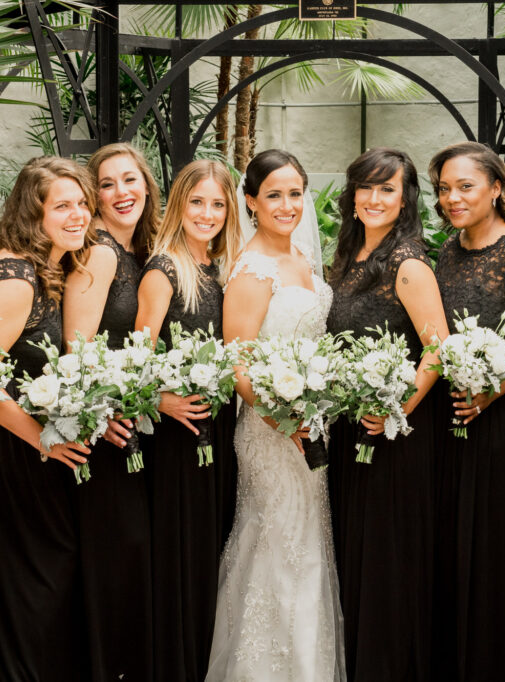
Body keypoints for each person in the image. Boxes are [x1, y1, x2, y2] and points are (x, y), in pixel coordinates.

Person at [0, 156, 93, 681]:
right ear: (35, 211)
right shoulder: (17, 276)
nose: (78, 215)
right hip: (5, 454)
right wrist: (42, 441)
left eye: (82, 204)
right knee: (32, 586)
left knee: (30, 585)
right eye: (63, 206)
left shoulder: (33, 264)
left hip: (16, 450)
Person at [206, 149, 346, 681]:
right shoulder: (251, 270)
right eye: (273, 195)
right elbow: (237, 364)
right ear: (250, 201)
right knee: (277, 546)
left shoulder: (307, 261)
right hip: (272, 434)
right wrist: (285, 422)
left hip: (313, 425)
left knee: (311, 547)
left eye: (295, 193)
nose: (286, 205)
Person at [428, 141, 505, 681]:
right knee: (454, 542)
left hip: (502, 420)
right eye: (443, 189)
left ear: (497, 189)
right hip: (450, 418)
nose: (452, 198)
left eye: (465, 187)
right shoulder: (448, 248)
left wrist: (489, 391)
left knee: (494, 547)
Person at [325, 147, 449, 681]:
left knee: (386, 564)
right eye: (366, 188)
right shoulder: (347, 258)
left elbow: (438, 349)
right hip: (349, 434)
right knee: (356, 558)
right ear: (352, 196)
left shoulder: (409, 263)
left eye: (387, 190)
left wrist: (396, 407)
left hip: (393, 436)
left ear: (405, 200)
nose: (374, 199)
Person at [131, 159, 242, 682]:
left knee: (211, 549)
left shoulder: (221, 270)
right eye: (197, 201)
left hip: (217, 431)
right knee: (181, 552)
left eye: (218, 203)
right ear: (178, 204)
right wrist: (163, 400)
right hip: (176, 436)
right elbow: (136, 359)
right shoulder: (164, 269)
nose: (207, 213)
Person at [63, 143, 161, 681]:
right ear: (94, 196)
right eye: (107, 183)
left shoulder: (144, 250)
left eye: (130, 180)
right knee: (114, 551)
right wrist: (103, 413)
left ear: (146, 185)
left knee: (132, 554)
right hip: (104, 428)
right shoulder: (98, 252)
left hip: (139, 424)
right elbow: (76, 347)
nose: (121, 193)